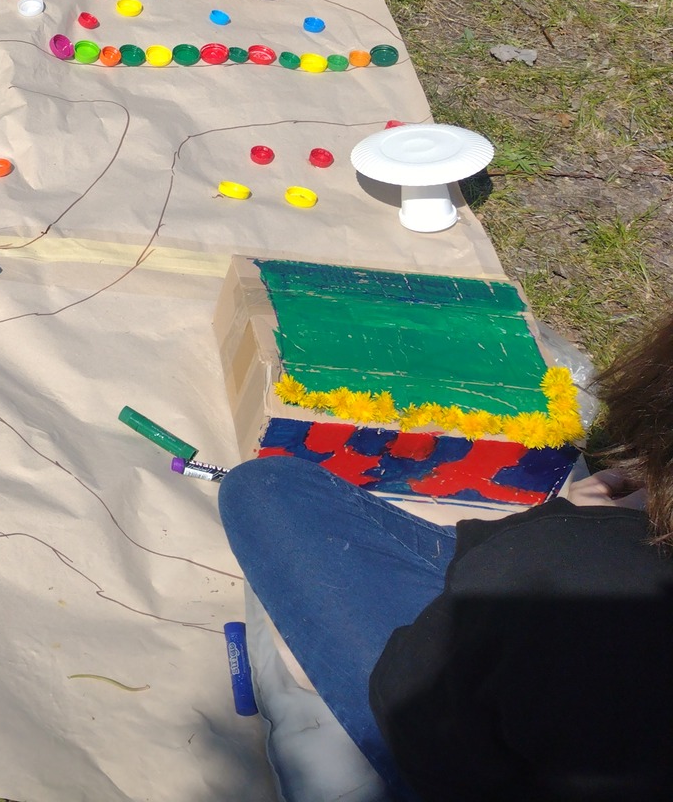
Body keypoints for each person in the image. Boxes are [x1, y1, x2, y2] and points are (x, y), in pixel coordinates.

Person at [221, 304, 673, 800]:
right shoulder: (562, 562)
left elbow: (405, 697)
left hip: (468, 758)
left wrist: (558, 526)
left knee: (264, 488)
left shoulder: (563, 561)